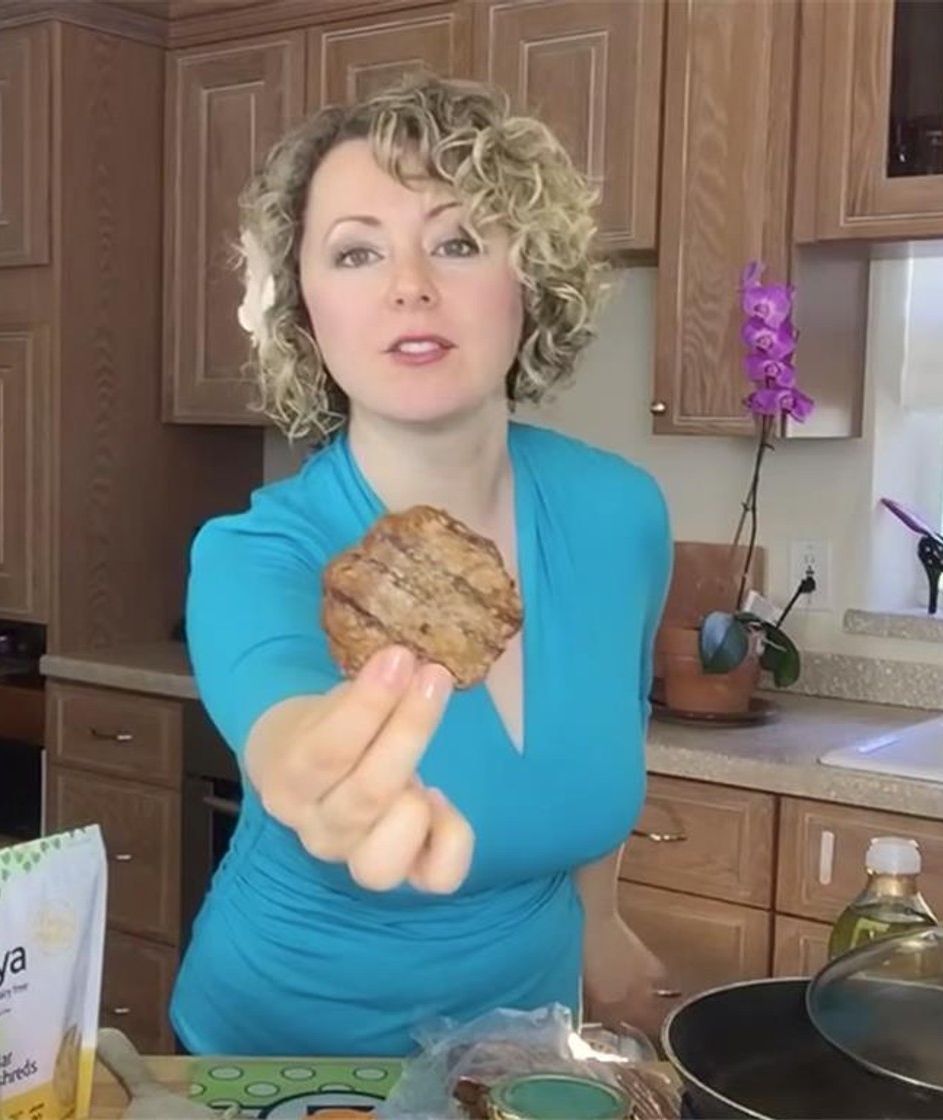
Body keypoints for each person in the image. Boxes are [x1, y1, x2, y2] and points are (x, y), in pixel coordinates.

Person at [170, 74, 674, 1059]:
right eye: (356, 251)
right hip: (275, 1062)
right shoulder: (255, 554)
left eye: (455, 240)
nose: (410, 283)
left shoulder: (620, 515)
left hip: (519, 1056)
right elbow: (284, 729)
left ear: (529, 277)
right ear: (304, 308)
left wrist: (599, 919)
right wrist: (317, 772)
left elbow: (615, 722)